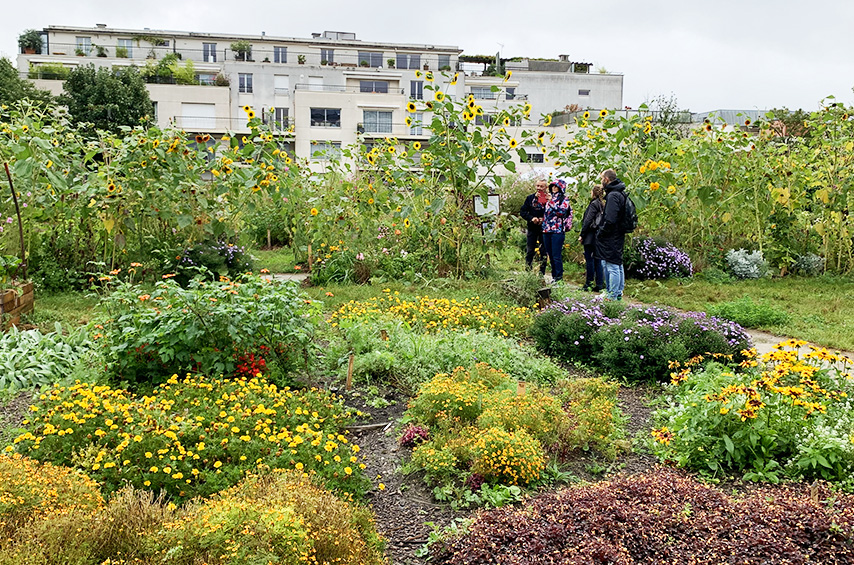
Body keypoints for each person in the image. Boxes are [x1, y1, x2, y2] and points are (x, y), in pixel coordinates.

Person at [596, 169, 627, 300]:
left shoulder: (613, 195)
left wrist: (602, 231)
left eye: (602, 178)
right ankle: (618, 292)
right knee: (617, 264)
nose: (601, 181)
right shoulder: (620, 192)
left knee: (612, 265)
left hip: (612, 235)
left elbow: (610, 218)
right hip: (618, 233)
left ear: (606, 180)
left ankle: (613, 295)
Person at [542, 179, 572, 284]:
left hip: (557, 230)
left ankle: (559, 277)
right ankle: (554, 276)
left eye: (556, 187)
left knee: (556, 255)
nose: (554, 189)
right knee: (550, 254)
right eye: (553, 186)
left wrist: (551, 202)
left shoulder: (564, 199)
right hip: (547, 229)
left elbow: (561, 212)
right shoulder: (548, 198)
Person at [519, 178, 549, 275]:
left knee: (543, 251)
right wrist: (532, 218)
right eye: (537, 186)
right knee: (530, 250)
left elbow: (554, 213)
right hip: (532, 227)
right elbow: (523, 212)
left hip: (544, 229)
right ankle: (528, 272)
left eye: (541, 186)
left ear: (546, 187)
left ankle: (542, 273)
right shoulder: (530, 198)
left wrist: (543, 219)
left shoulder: (549, 199)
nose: (539, 188)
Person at [579, 184, 605, 292]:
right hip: (599, 236)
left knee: (589, 260)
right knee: (598, 260)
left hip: (591, 236)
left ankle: (588, 283)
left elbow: (588, 221)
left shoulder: (593, 204)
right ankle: (599, 283)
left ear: (593, 193)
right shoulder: (603, 204)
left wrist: (582, 234)